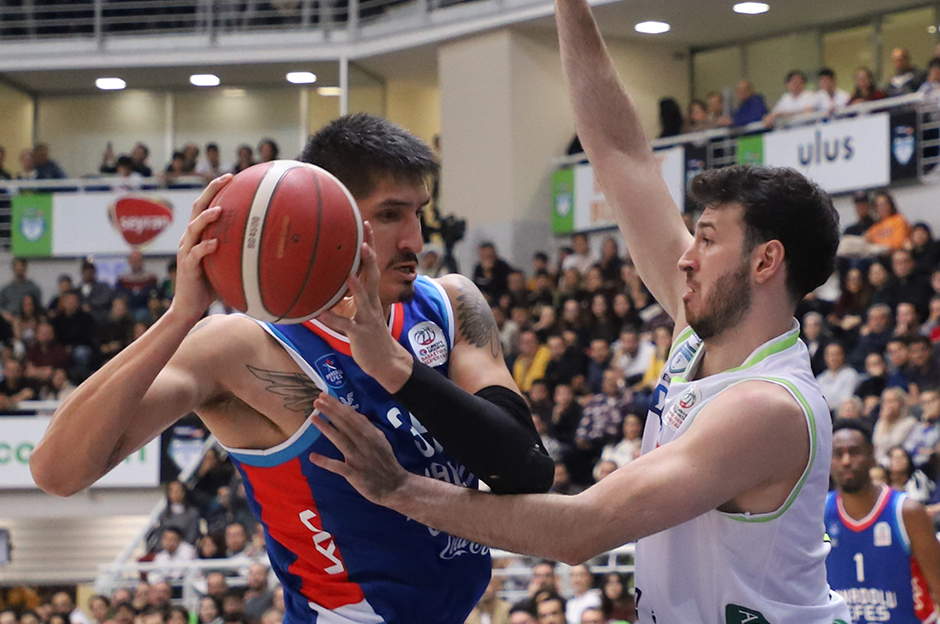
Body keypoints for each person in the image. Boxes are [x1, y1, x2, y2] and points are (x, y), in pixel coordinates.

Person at [303, 0, 850, 622]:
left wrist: (399, 490)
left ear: (764, 262)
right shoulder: (696, 335)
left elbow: (579, 530)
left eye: (706, 238)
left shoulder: (767, 405)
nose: (686, 258)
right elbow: (620, 153)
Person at [31, 114, 553, 624]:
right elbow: (57, 472)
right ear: (328, 217)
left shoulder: (450, 304)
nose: (416, 240)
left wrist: (395, 367)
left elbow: (527, 469)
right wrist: (180, 315)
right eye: (392, 215)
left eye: (420, 212)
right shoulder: (241, 348)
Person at [826, 420, 940, 623]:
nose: (846, 461)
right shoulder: (820, 513)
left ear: (872, 455)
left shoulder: (907, 512)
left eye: (854, 452)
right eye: (838, 454)